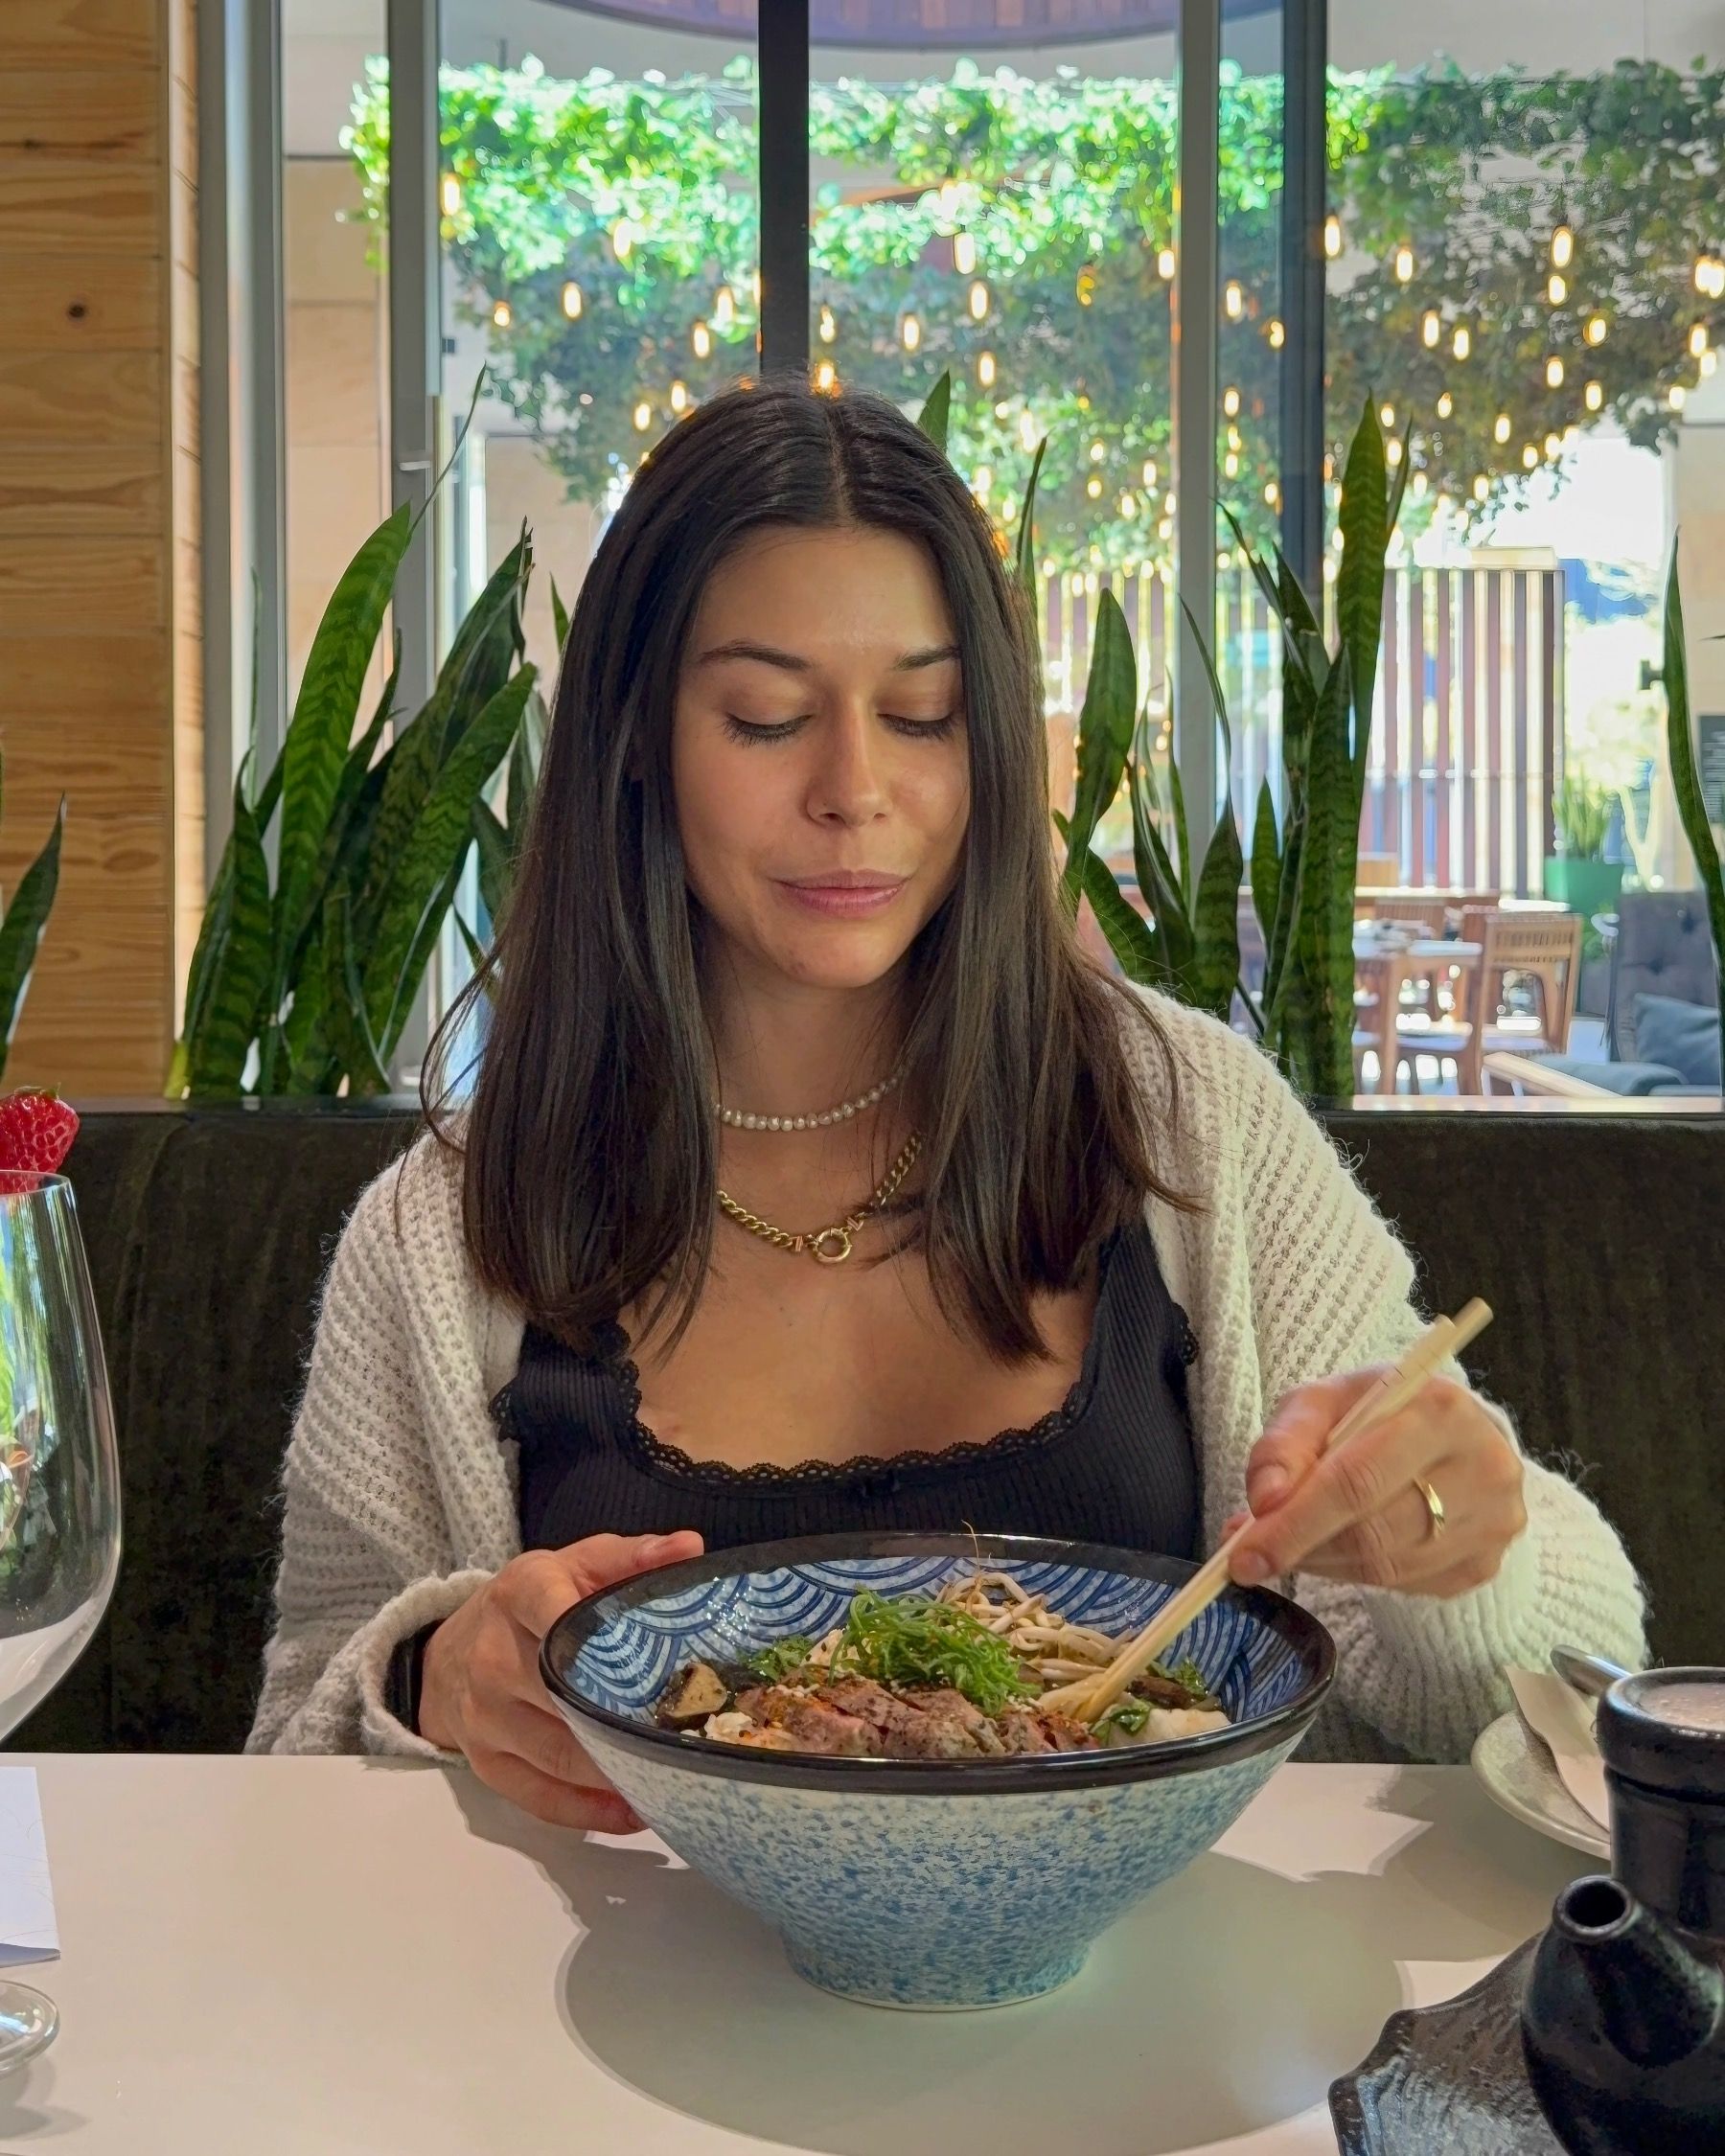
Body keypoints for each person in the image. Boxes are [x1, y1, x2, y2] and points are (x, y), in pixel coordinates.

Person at [246, 377, 1644, 1829]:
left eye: (924, 714)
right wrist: (430, 1675)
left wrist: (1457, 1555)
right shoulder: (443, 1229)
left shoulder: (1186, 1123)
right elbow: (287, 1748)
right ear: (639, 740)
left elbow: (1573, 1684)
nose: (856, 789)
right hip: (629, 1972)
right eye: (767, 717)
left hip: (1141, 1971)